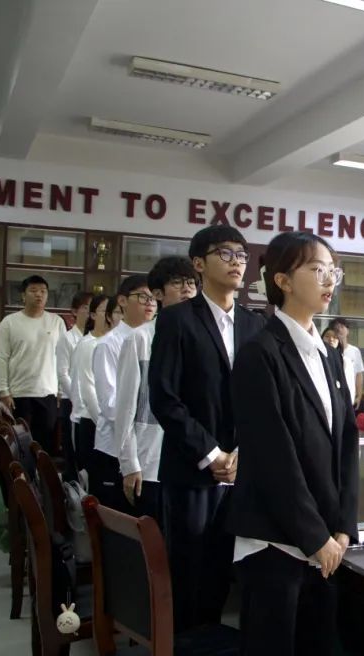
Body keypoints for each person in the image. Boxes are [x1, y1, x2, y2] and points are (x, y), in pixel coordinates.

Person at [227, 230, 358, 656]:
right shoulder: (260, 353)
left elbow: (346, 446)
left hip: (323, 546)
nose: (328, 280)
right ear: (281, 280)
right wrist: (314, 536)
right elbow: (272, 458)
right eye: (316, 270)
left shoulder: (329, 354)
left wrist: (343, 527)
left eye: (332, 271)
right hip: (275, 544)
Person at [148, 224, 266, 631]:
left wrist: (243, 452)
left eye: (242, 255)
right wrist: (212, 454)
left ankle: (213, 648)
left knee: (226, 570)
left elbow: (263, 401)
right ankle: (183, 654)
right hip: (192, 470)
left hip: (242, 471)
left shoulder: (255, 325)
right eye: (225, 254)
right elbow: (165, 398)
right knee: (188, 571)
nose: (237, 262)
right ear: (199, 264)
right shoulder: (177, 320)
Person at [116, 257, 198, 521]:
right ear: (158, 294)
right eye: (177, 283)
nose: (187, 289)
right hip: (150, 462)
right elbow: (125, 407)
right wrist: (129, 464)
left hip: (194, 462)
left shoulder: (202, 338)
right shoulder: (140, 338)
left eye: (191, 283)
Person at [90, 275, 156, 510]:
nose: (150, 303)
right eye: (142, 297)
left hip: (145, 449)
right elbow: (109, 404)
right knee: (116, 518)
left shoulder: (154, 339)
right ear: (122, 301)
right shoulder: (108, 344)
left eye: (153, 298)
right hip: (113, 449)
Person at [0, 275, 66, 451]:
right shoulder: (9, 323)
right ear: (23, 295)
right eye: (33, 291)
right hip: (19, 393)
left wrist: (61, 390)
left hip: (47, 392)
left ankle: (41, 470)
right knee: (20, 445)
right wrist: (3, 391)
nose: (39, 295)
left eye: (43, 291)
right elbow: (1, 358)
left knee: (44, 445)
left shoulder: (56, 322)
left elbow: (63, 358)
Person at [69, 294, 113, 477]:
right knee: (92, 480)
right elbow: (87, 391)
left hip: (107, 423)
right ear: (93, 315)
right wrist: (106, 425)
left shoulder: (112, 342)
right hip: (91, 420)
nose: (111, 316)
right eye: (105, 311)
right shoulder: (88, 344)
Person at [56, 291, 91, 478]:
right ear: (75, 312)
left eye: (92, 308)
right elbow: (63, 373)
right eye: (85, 307)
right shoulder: (67, 338)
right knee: (72, 451)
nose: (89, 312)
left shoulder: (95, 338)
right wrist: (78, 397)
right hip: (72, 401)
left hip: (90, 403)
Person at [330, 317, 364, 408]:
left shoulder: (355, 351)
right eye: (336, 328)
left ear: (347, 330)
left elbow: (359, 374)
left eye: (342, 327)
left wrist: (359, 396)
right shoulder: (330, 350)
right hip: (334, 396)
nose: (339, 330)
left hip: (350, 396)